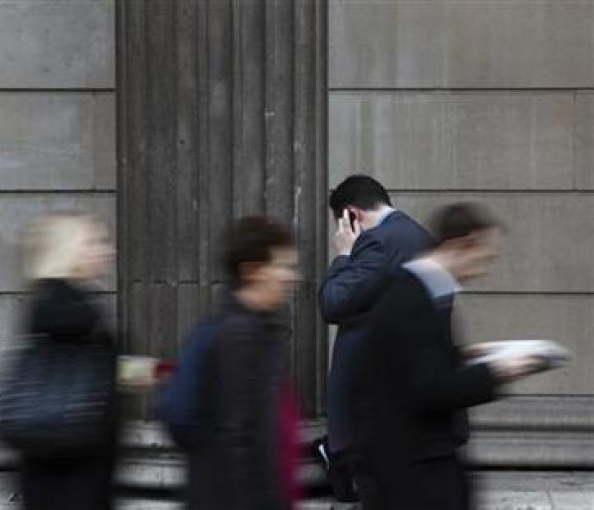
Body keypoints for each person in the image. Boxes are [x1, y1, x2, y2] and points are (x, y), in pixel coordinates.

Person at [347, 203, 542, 510]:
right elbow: (428, 388)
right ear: (460, 245)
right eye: (484, 258)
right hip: (413, 477)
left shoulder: (418, 291)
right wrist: (499, 371)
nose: (485, 269)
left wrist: (464, 356)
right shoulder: (413, 300)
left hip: (419, 471)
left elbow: (413, 364)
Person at [317, 175, 434, 501]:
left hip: (371, 407)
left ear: (351, 216)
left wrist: (343, 254)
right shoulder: (420, 237)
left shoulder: (377, 242)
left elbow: (333, 302)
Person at [188, 217, 301, 510]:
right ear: (251, 271)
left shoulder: (258, 329)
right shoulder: (241, 334)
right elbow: (239, 441)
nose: (291, 277)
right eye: (282, 266)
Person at [17, 212, 119, 510]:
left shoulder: (61, 301)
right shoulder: (67, 307)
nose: (106, 250)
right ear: (70, 251)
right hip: (71, 471)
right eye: (93, 242)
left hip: (69, 467)